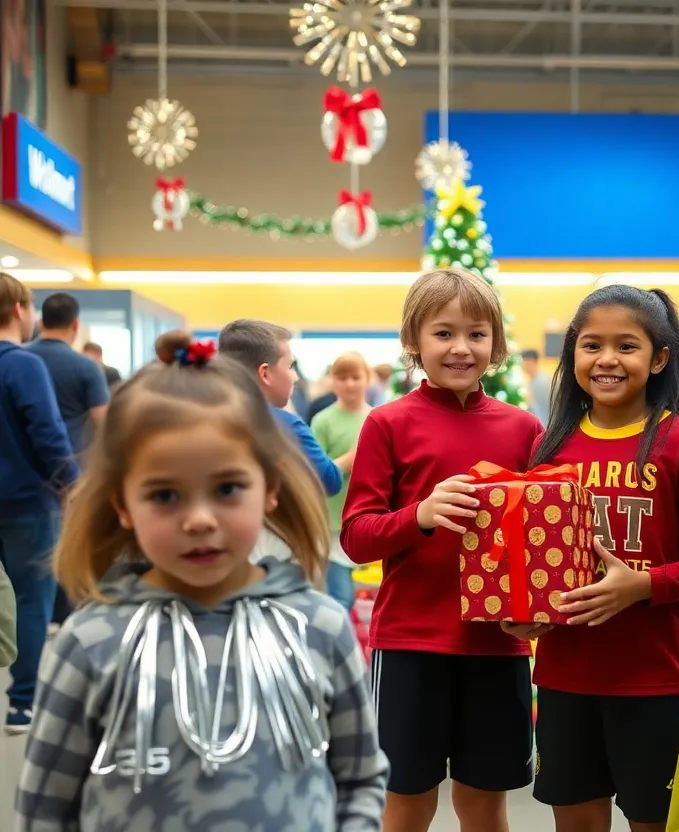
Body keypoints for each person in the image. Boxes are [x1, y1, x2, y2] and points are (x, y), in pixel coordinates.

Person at [14, 332, 388, 828]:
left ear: (270, 489)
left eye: (228, 488)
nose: (199, 520)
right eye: (165, 495)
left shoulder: (319, 627)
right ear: (122, 504)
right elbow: (44, 809)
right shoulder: (90, 643)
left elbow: (360, 778)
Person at [507, 285, 679, 832]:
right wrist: (525, 613)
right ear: (572, 354)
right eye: (591, 345)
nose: (606, 360)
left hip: (656, 681)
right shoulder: (549, 448)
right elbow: (536, 562)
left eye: (626, 346)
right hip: (564, 677)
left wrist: (640, 586)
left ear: (659, 358)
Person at [342, 268, 544, 832]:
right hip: (410, 643)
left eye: (477, 334)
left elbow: (537, 536)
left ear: (496, 345)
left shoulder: (523, 428)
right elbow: (357, 535)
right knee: (406, 802)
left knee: (484, 803)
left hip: (496, 647)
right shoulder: (387, 424)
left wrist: (536, 612)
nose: (461, 348)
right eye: (443, 333)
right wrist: (421, 516)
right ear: (414, 342)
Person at [0, 273, 77, 734]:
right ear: (21, 311)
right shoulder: (24, 365)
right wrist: (73, 485)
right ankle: (21, 704)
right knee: (33, 600)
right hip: (27, 502)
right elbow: (48, 434)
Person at [218, 319, 342, 499]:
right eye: (290, 366)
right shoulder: (287, 426)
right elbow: (329, 481)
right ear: (265, 374)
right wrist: (348, 460)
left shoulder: (207, 418)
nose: (296, 377)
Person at [312, 352, 372, 610]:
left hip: (367, 519)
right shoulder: (322, 421)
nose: (349, 384)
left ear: (367, 379)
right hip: (332, 523)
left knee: (366, 595)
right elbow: (315, 474)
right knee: (341, 598)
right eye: (342, 377)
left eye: (355, 377)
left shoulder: (377, 418)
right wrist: (351, 458)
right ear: (332, 381)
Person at [26, 292, 110, 456]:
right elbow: (103, 420)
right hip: (71, 460)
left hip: (23, 462)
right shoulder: (87, 366)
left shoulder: (17, 359)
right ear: (75, 324)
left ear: (41, 323)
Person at [521, 348, 551, 425]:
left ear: (530, 361)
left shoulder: (541, 382)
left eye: (525, 362)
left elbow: (542, 410)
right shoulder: (533, 380)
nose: (524, 366)